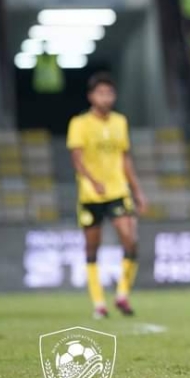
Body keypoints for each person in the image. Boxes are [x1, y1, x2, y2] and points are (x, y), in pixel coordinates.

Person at [66, 72, 148, 319]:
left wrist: (137, 191)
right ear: (91, 96)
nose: (106, 97)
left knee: (130, 239)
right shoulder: (79, 124)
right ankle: (99, 302)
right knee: (92, 247)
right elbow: (77, 159)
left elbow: (125, 159)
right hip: (91, 195)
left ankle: (122, 294)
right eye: (101, 93)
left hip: (117, 191)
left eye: (110, 93)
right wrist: (93, 182)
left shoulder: (119, 122)